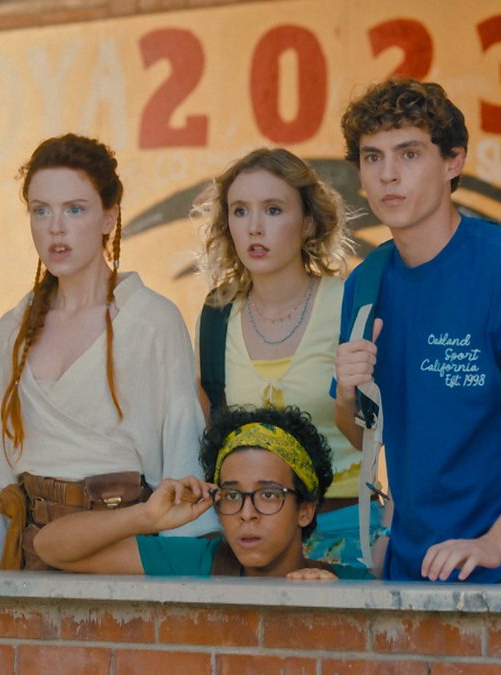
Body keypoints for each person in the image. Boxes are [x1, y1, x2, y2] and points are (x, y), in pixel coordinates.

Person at [333, 78, 501, 583]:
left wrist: (497, 542)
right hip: (415, 564)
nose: (388, 175)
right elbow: (367, 436)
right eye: (372, 157)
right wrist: (346, 396)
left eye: (409, 154)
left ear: (454, 162)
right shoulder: (366, 281)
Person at [0, 133, 216, 570]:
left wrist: (181, 566)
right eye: (41, 210)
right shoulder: (14, 328)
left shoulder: (152, 320)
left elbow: (181, 443)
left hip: (122, 543)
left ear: (109, 217)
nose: (56, 228)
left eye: (75, 209)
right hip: (31, 544)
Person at [192, 148, 380, 572]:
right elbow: (212, 441)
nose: (254, 227)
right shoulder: (216, 314)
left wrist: (347, 400)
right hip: (253, 535)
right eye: (240, 211)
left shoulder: (348, 303)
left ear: (308, 221)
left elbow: (377, 439)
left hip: (348, 526)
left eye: (273, 210)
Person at [34, 405, 371, 580]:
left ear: (305, 510)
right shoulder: (200, 562)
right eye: (232, 496)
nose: (247, 514)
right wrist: (147, 517)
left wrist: (332, 600)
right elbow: (50, 547)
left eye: (269, 495)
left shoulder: (348, 584)